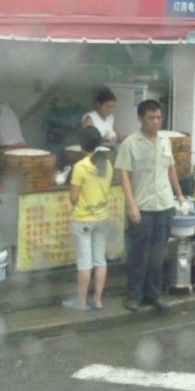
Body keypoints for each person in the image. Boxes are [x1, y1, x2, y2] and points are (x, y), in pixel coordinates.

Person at [114, 99, 187, 312]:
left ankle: (153, 295)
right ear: (140, 119)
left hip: (164, 205)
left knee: (158, 254)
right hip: (142, 208)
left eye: (158, 118)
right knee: (139, 254)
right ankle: (133, 296)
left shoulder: (165, 140)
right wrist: (131, 205)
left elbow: (170, 169)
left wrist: (180, 195)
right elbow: (124, 176)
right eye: (151, 118)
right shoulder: (130, 144)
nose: (156, 122)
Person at [62, 126, 114, 311]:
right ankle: (98, 300)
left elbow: (74, 197)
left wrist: (77, 201)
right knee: (100, 260)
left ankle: (81, 303)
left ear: (82, 145)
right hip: (102, 218)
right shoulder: (107, 164)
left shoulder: (80, 167)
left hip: (83, 220)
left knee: (85, 263)